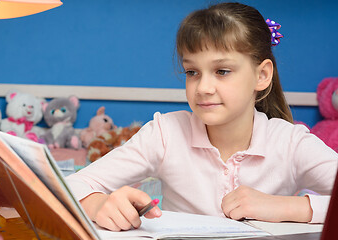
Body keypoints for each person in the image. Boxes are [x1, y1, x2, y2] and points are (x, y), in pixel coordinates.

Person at [66, 2, 338, 232]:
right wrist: (97, 203)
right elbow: (71, 185)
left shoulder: (290, 143)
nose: (203, 88)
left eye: (222, 71)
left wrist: (290, 206)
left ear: (262, 75)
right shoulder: (165, 133)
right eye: (192, 72)